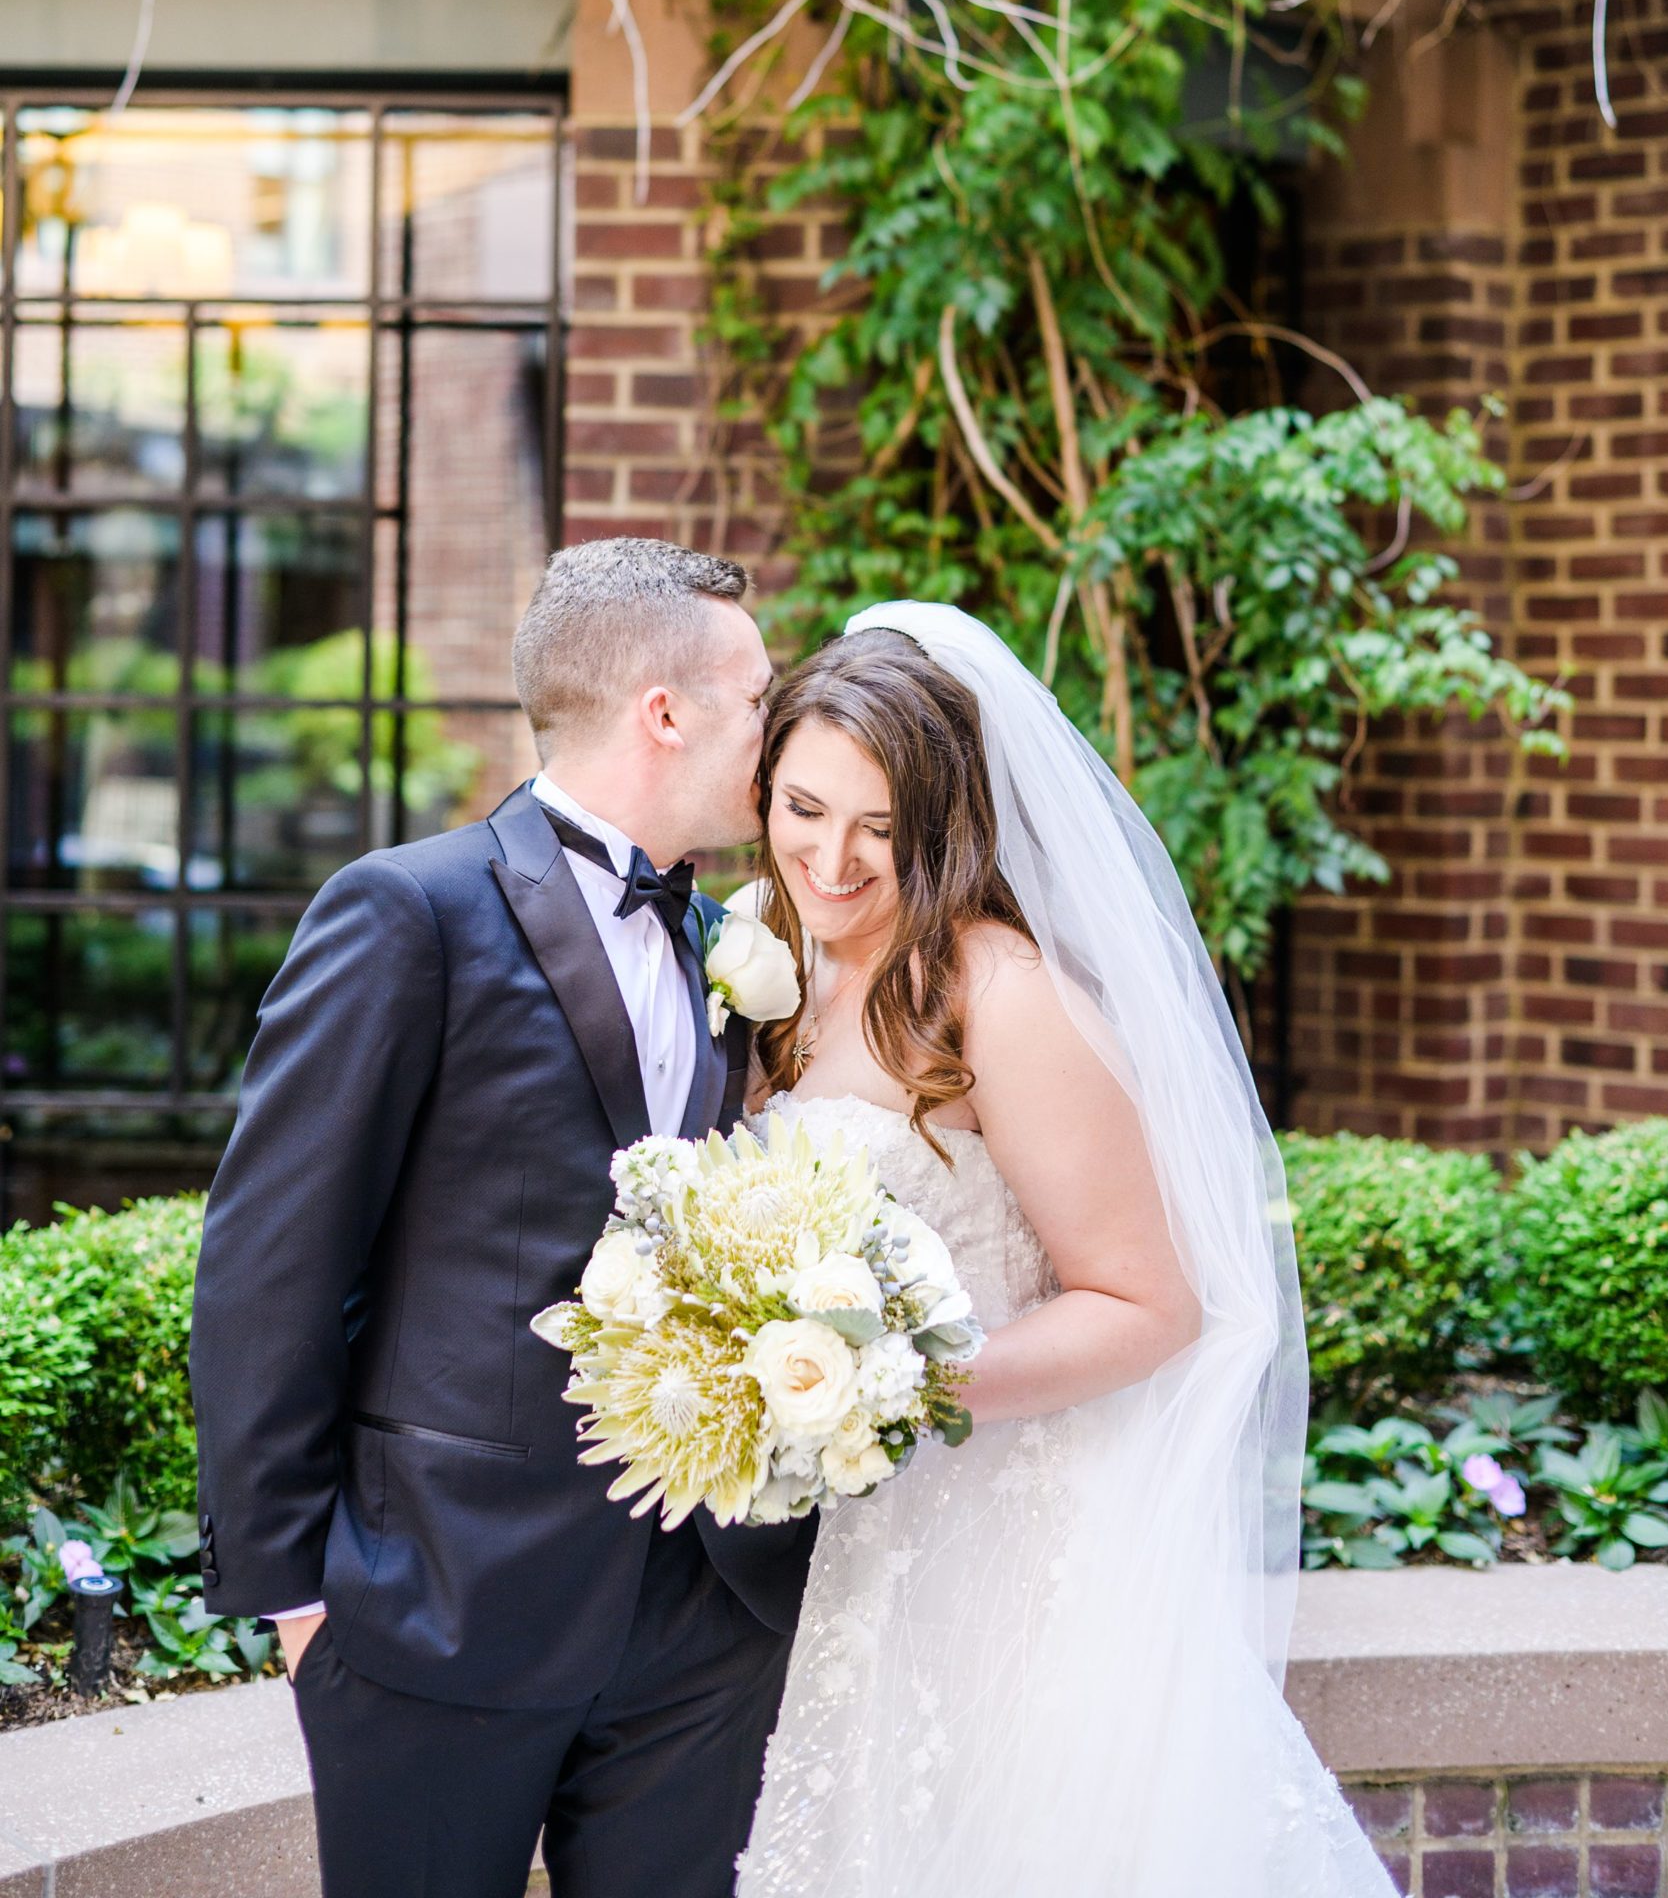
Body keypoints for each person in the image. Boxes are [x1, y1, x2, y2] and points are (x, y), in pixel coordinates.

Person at [735, 606, 1396, 1898]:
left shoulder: (998, 992)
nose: (834, 860)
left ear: (947, 828)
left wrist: (903, 1387)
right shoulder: (762, 958)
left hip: (1003, 1551)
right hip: (826, 1552)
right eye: (805, 810)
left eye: (883, 829)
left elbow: (1151, 1302)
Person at [190, 537, 815, 1898]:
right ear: (668, 712)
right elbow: (269, 1265)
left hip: (701, 1616)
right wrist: (301, 1601)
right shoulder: (406, 914)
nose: (778, 727)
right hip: (437, 1608)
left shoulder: (737, 949)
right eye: (758, 697)